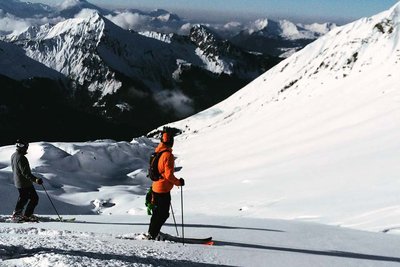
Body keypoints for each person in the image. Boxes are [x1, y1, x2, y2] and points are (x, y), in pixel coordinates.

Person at [147, 130, 185, 239]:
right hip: (163, 189)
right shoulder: (168, 155)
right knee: (163, 214)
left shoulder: (158, 152)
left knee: (156, 213)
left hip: (156, 186)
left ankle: (151, 232)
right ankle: (154, 234)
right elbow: (168, 175)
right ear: (171, 142)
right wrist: (179, 182)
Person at [11, 139, 43, 221]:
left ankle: (20, 214)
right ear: (23, 147)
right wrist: (36, 180)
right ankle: (23, 215)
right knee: (34, 198)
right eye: (26, 146)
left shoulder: (14, 155)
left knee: (24, 198)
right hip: (24, 183)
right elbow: (26, 173)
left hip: (19, 182)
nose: (27, 148)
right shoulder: (21, 158)